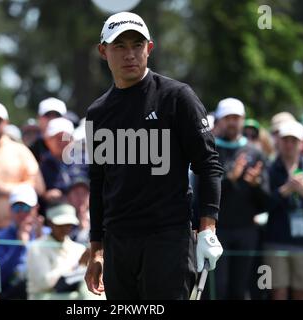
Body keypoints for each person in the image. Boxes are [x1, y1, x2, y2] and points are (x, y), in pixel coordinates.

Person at [84, 12, 224, 300]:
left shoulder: (177, 97)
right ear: (103, 51)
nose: (130, 54)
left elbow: (208, 164)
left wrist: (207, 228)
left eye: (137, 45)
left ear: (149, 47)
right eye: (119, 46)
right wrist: (96, 249)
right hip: (118, 242)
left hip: (168, 237)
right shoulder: (97, 113)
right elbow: (98, 182)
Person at [212, 98, 270, 300]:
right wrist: (230, 178)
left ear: (243, 120)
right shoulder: (210, 149)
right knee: (217, 289)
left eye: (236, 118)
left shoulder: (256, 153)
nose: (232, 122)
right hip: (216, 230)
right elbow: (203, 191)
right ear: (219, 120)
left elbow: (266, 201)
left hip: (247, 231)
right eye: (228, 117)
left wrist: (256, 185)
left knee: (239, 290)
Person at [264, 121, 303, 300]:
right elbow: (261, 206)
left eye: (294, 140)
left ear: (302, 143)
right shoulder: (269, 170)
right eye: (286, 140)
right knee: (277, 293)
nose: (289, 144)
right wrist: (284, 190)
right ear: (279, 142)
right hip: (275, 243)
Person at [27, 203, 89, 300]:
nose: (65, 228)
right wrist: (76, 265)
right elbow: (44, 283)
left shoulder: (79, 248)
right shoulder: (36, 247)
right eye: (60, 224)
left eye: (68, 225)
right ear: (50, 223)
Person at [0, 184, 43, 299]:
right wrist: (19, 246)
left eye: (26, 208)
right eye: (17, 207)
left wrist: (41, 240)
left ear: (36, 209)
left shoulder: (47, 234)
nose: (21, 213)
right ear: (10, 209)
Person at [29, 97, 67, 163]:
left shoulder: (75, 148)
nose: (52, 119)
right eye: (47, 115)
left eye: (57, 115)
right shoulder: (31, 150)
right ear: (39, 118)